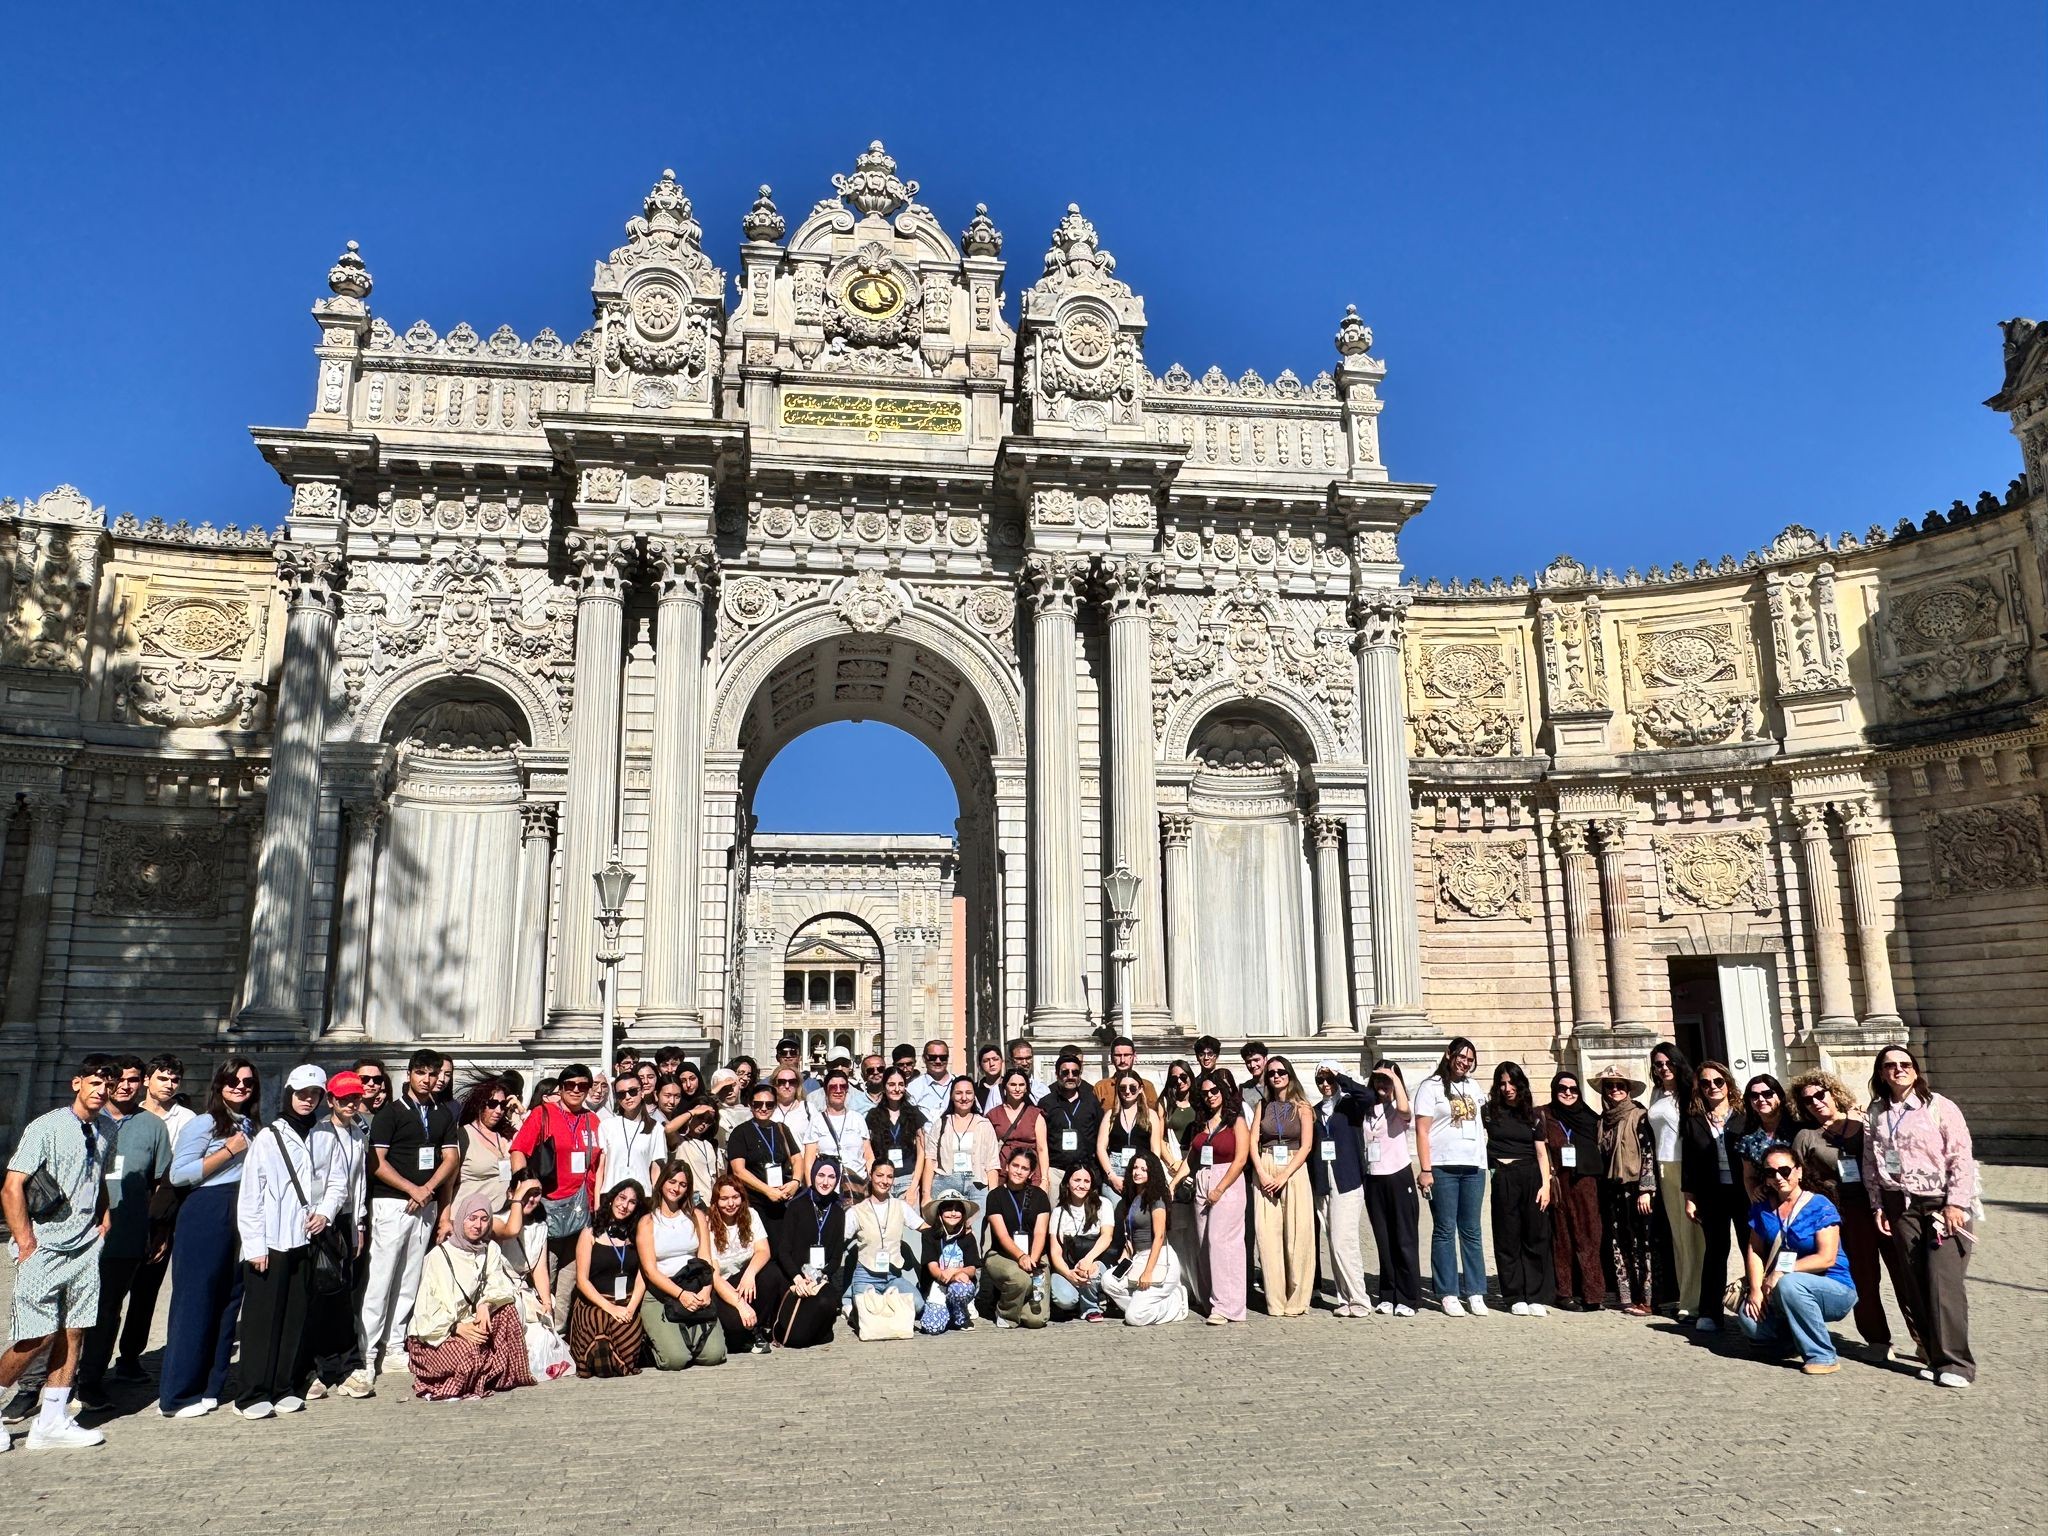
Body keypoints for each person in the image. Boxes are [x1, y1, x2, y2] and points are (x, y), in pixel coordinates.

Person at [0, 1059, 115, 1451]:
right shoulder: (46, 1127)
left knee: (74, 1329)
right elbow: (12, 1187)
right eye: (95, 1082)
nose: (102, 1090)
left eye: (108, 1085)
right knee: (36, 1334)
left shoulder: (107, 1127)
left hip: (85, 1246)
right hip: (45, 1246)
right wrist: (26, 1241)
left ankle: (51, 1421)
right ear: (77, 1083)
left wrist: (104, 1215)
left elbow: (97, 1175)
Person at [1864, 1044, 1978, 1387]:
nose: (1898, 1069)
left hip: (1941, 1203)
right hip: (1900, 1205)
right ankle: (1933, 1354)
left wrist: (1955, 1203)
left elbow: (1961, 1157)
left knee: (1944, 1283)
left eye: (1904, 1064)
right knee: (1915, 1285)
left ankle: (1957, 1364)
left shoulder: (1939, 1106)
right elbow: (1871, 1162)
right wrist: (1878, 1205)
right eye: (1890, 1065)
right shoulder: (1876, 1112)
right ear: (1881, 1073)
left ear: (1915, 1069)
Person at [159, 1058, 258, 1419]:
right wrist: (228, 1150)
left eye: (247, 1082)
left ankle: (211, 1385)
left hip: (240, 1209)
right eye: (232, 1080)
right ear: (219, 1084)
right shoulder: (203, 1123)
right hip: (206, 1208)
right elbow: (180, 1173)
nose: (240, 1087)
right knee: (195, 1300)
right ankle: (177, 1394)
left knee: (229, 1300)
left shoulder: (249, 1123)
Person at [353, 1049, 458, 1386]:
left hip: (424, 1205)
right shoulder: (391, 1113)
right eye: (421, 1073)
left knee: (409, 1277)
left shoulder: (442, 1114)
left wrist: (428, 1190)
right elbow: (377, 1162)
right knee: (381, 1277)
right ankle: (366, 1351)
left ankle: (394, 1344)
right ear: (410, 1075)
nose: (428, 1081)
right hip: (392, 1203)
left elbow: (450, 1158)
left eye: (433, 1074)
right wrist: (412, 1188)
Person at [230, 1064, 329, 1420]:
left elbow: (334, 1183)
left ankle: (283, 1385)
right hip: (270, 1240)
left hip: (305, 1237)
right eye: (302, 1094)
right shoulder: (270, 1137)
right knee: (262, 1320)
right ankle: (252, 1391)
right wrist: (254, 1244)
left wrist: (326, 1213)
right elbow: (251, 1195)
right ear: (289, 1094)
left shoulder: (323, 1135)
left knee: (295, 1316)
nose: (307, 1100)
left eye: (314, 1094)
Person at [73, 1055, 171, 1412]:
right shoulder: (85, 1121)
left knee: (106, 1312)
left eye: (134, 1079)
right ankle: (54, 1380)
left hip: (126, 1236)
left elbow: (161, 1182)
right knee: (69, 1313)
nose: (126, 1086)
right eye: (120, 1079)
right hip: (77, 1236)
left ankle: (91, 1380)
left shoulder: (153, 1126)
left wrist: (158, 1228)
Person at [1788, 1069, 1905, 1360]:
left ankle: (1924, 1339)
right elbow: (1795, 1176)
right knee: (1864, 1278)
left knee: (1905, 1274)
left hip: (1882, 1206)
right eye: (1807, 1101)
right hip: (1846, 1214)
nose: (1815, 1102)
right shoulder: (1807, 1136)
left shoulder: (1864, 1121)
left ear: (1833, 1092)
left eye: (1820, 1094)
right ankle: (1877, 1340)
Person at [1735, 1146, 1858, 1375]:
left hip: (1833, 1287)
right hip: (1783, 1289)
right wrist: (1755, 1290)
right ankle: (1791, 1341)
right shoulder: (1762, 1207)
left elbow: (1826, 1258)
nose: (1779, 1177)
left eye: (1784, 1170)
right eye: (1771, 1173)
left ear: (1799, 1171)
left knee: (1790, 1284)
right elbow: (1755, 1249)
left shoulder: (1820, 1205)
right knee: (1748, 1316)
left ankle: (1823, 1356)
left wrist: (1782, 1272)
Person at [406, 1192, 533, 1400]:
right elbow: (425, 1311)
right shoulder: (439, 1256)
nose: (478, 1225)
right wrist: (456, 1327)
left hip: (472, 1322)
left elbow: (499, 1283)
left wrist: (486, 1304)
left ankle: (497, 1375)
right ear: (461, 1219)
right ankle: (468, 1373)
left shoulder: (489, 1249)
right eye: (472, 1218)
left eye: (484, 1219)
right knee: (469, 1355)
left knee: (507, 1311)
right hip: (438, 1334)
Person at [116, 1053, 193, 1385]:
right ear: (147, 1080)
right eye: (163, 1078)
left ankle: (130, 1357)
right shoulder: (126, 1114)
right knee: (108, 1292)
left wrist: (164, 1224)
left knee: (146, 1293)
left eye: (175, 1079)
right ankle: (89, 1361)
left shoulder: (186, 1118)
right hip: (124, 1210)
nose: (170, 1084)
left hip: (162, 1211)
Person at [304, 1069, 370, 1399]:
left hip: (344, 1219)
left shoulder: (359, 1134)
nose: (350, 1104)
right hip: (318, 1220)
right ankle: (314, 1366)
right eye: (344, 1099)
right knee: (317, 1294)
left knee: (342, 1294)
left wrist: (358, 1224)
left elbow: (358, 1184)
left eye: (355, 1098)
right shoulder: (317, 1133)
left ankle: (345, 1364)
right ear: (331, 1100)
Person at [1415, 1037, 1487, 1316]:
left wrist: (1483, 1163)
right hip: (1442, 1166)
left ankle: (1476, 1290)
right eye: (1461, 1056)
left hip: (1473, 1166)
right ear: (1449, 1055)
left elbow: (1480, 1124)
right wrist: (1425, 1169)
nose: (1465, 1062)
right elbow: (1422, 1131)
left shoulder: (1473, 1086)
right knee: (1445, 1229)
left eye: (1470, 1059)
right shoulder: (1430, 1087)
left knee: (1472, 1230)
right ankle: (1447, 1292)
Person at [635, 1161, 724, 1370]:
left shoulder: (696, 1216)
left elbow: (705, 1259)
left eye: (683, 1185)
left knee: (714, 1355)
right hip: (662, 1292)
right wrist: (681, 1294)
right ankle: (653, 1344)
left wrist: (705, 1291)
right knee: (675, 1360)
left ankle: (685, 1338)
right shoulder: (648, 1221)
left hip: (695, 1287)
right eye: (672, 1182)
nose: (676, 1188)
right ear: (662, 1182)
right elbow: (650, 1270)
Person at [1480, 1062, 1553, 1317]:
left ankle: (1535, 1295)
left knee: (1535, 1236)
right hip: (1503, 1176)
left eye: (1511, 1083)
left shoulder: (1532, 1115)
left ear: (1520, 1084)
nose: (1507, 1088)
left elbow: (1542, 1153)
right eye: (1502, 1083)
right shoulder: (1488, 1113)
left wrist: (1546, 1186)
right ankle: (1514, 1295)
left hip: (1532, 1176)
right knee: (1507, 1237)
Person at [1680, 1059, 1745, 1334]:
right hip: (1711, 1194)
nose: (1712, 1087)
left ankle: (1761, 1306)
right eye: (1705, 1083)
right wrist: (1690, 1197)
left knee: (1752, 1248)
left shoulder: (1744, 1117)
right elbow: (1690, 1162)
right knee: (1716, 1252)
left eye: (1718, 1082)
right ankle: (1710, 1312)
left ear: (1728, 1084)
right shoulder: (1694, 1121)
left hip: (1744, 1193)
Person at [1247, 1055, 1314, 1317]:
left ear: (1290, 1074)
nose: (1276, 1076)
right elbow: (1253, 1141)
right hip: (1265, 1167)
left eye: (1281, 1072)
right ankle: (1275, 1301)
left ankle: (1297, 1300)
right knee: (1267, 1237)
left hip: (1293, 1169)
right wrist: (1262, 1173)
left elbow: (1306, 1145)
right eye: (1272, 1073)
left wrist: (1284, 1174)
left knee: (1297, 1237)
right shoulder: (1261, 1106)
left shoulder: (1303, 1107)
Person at [1307, 1063, 1374, 1317]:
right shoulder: (1315, 1111)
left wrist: (1340, 1078)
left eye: (1328, 1080)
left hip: (1347, 1179)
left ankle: (1360, 1298)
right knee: (1332, 1241)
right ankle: (1344, 1298)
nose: (1325, 1085)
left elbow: (1367, 1096)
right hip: (1323, 1181)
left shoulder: (1350, 1105)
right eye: (1320, 1081)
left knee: (1343, 1241)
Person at [1592, 1066, 1657, 1316]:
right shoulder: (1602, 1120)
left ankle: (1648, 1299)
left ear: (1628, 1090)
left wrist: (1646, 1189)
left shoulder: (1639, 1116)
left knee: (1643, 1243)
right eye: (1610, 1086)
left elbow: (1648, 1152)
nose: (1615, 1090)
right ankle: (1626, 1295)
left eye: (1620, 1085)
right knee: (1619, 1243)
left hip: (1636, 1187)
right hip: (1612, 1189)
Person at [1188, 1070, 1251, 1324]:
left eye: (1214, 1091)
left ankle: (1228, 1306)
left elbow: (1241, 1159)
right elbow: (1190, 1159)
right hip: (1203, 1180)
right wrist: (1171, 1184)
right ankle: (1211, 1298)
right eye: (1205, 1094)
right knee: (1204, 1243)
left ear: (1223, 1093)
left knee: (1222, 1241)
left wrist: (1221, 1188)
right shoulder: (1202, 1122)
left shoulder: (1236, 1121)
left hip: (1228, 1183)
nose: (1210, 1097)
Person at [1539, 1070, 1604, 1312]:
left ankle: (1593, 1293)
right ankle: (1564, 1292)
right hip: (1560, 1184)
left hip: (1587, 1185)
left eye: (1573, 1089)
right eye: (1562, 1089)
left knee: (1590, 1236)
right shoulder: (1546, 1115)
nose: (1568, 1093)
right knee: (1562, 1238)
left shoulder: (1590, 1118)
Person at [1099, 1150, 1187, 1326]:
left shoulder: (1157, 1198)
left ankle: (1176, 1303)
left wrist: (1148, 1272)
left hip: (1159, 1259)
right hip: (1137, 1257)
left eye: (1144, 1169)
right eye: (1135, 1167)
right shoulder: (1132, 1197)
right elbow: (1130, 1235)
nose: (1137, 1172)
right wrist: (1126, 1257)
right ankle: (1141, 1304)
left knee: (1134, 1318)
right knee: (1108, 1280)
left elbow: (1160, 1236)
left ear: (1152, 1172)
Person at [569, 1181, 648, 1377]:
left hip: (627, 1302)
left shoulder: (637, 1236)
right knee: (599, 1322)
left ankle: (615, 1360)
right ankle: (595, 1360)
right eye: (621, 1198)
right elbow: (582, 1280)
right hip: (594, 1302)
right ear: (612, 1199)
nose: (624, 1205)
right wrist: (610, 1307)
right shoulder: (589, 1235)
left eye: (632, 1202)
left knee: (623, 1330)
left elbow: (643, 1276)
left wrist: (630, 1308)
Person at [1360, 1061, 1421, 1316]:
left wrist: (1394, 1078)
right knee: (1383, 1240)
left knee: (1404, 1239)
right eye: (1378, 1079)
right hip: (1374, 1177)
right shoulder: (1367, 1108)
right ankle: (1388, 1293)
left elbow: (1406, 1110)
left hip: (1398, 1175)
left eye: (1386, 1080)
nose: (1381, 1085)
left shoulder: (1399, 1107)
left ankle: (1408, 1297)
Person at [769, 1160, 847, 1348]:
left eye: (831, 1177)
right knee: (796, 1330)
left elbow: (836, 1256)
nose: (825, 1182)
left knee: (826, 1302)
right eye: (821, 1175)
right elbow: (784, 1251)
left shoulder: (838, 1211)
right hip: (794, 1276)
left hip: (819, 1279)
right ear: (812, 1176)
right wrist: (797, 1277)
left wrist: (820, 1278)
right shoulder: (797, 1206)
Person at [1647, 1043, 1699, 1317]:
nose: (1664, 1068)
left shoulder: (1691, 1093)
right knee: (1678, 1236)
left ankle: (1694, 1302)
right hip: (1663, 1167)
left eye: (1668, 1063)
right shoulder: (1657, 1093)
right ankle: (1684, 1295)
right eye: (1658, 1064)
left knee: (1692, 1237)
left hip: (1684, 1166)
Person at [706, 1173, 784, 1355]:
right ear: (716, 1201)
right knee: (735, 1326)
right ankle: (749, 1331)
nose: (730, 1203)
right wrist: (740, 1305)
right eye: (724, 1199)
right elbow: (714, 1276)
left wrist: (749, 1274)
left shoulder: (751, 1214)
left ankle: (756, 1327)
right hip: (724, 1285)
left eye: (735, 1197)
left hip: (747, 1279)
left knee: (772, 1273)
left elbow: (763, 1250)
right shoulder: (708, 1224)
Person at [728, 1082, 803, 1251]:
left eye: (769, 1104)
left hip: (781, 1201)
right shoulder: (740, 1132)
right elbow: (739, 1170)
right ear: (750, 1105)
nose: (763, 1108)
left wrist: (796, 1182)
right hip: (754, 1203)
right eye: (758, 1104)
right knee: (760, 1251)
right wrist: (767, 1191)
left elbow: (797, 1158)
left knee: (783, 1249)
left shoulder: (781, 1129)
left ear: (775, 1106)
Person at [983, 1148, 1052, 1328]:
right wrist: (1021, 1256)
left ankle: (1016, 1299)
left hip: (1035, 1257)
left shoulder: (1040, 1196)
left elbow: (1039, 1233)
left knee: (1036, 1320)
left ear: (1030, 1173)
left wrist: (1033, 1260)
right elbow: (1002, 1235)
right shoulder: (995, 1196)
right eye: (1015, 1165)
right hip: (1003, 1255)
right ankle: (1006, 1313)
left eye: (1024, 1168)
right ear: (1007, 1166)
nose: (1018, 1171)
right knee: (1020, 1279)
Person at [846, 1157, 925, 1310]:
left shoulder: (901, 1206)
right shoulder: (856, 1211)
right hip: (866, 1275)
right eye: (879, 1175)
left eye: (889, 1177)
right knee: (867, 1311)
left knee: (918, 1305)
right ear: (871, 1176)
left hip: (893, 1275)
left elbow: (924, 1227)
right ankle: (852, 1295)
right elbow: (838, 1238)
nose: (885, 1181)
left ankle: (876, 1299)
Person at [449, 1077, 518, 1233]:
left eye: (503, 1105)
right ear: (480, 1105)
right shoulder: (463, 1135)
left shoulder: (506, 1136)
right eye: (492, 1104)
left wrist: (519, 1112)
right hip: (465, 1220)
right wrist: (445, 1219)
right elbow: (448, 1184)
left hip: (498, 1219)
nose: (498, 1110)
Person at [926, 1076, 998, 1226]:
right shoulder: (941, 1123)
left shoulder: (984, 1124)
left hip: (977, 1187)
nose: (964, 1098)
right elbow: (930, 1159)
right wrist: (926, 1195)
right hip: (945, 1185)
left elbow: (992, 1165)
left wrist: (993, 1197)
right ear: (951, 1096)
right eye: (958, 1093)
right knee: (946, 1235)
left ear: (974, 1096)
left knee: (975, 1235)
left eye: (968, 1093)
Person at [1048, 1164, 1112, 1321]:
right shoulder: (1058, 1212)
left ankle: (1090, 1307)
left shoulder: (1103, 1204)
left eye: (1086, 1181)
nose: (1081, 1185)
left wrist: (1087, 1260)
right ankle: (1079, 1299)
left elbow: (1107, 1236)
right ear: (1067, 1183)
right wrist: (1068, 1274)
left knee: (1091, 1272)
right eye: (1077, 1180)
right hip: (1068, 1266)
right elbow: (1055, 1252)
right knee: (1065, 1299)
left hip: (1094, 1262)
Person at [1097, 1069, 1165, 1206]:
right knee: (1118, 1219)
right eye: (1123, 1088)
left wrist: (1148, 1173)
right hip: (1115, 1173)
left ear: (1140, 1089)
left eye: (1132, 1088)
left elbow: (1155, 1149)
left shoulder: (1150, 1115)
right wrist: (1112, 1177)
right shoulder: (1110, 1115)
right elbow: (1100, 1147)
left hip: (1141, 1173)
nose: (1127, 1092)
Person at [917, 1192, 981, 1335]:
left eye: (957, 1209)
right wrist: (948, 1276)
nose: (953, 1213)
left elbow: (971, 1268)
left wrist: (953, 1272)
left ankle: (961, 1314)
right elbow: (932, 1267)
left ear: (963, 1214)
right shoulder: (929, 1235)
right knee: (931, 1327)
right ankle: (948, 1311)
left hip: (959, 1283)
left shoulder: (968, 1237)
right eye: (948, 1209)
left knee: (960, 1289)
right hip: (938, 1285)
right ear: (940, 1212)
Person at [596, 1072, 667, 1198]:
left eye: (632, 1091)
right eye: (621, 1094)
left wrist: (657, 1201)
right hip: (611, 1195)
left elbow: (656, 1169)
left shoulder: (656, 1128)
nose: (627, 1097)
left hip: (642, 1196)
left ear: (642, 1092)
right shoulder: (606, 1126)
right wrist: (597, 1202)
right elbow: (600, 1168)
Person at [1042, 1050, 1104, 1191]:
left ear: (1080, 1075)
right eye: (1065, 1072)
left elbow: (1100, 1135)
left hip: (1085, 1171)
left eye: (1075, 1073)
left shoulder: (1091, 1102)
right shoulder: (1046, 1103)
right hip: (1056, 1171)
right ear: (1057, 1074)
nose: (1070, 1077)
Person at [862, 1069, 927, 1197]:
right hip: (882, 1180)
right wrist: (875, 1179)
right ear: (884, 1086)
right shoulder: (873, 1116)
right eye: (891, 1084)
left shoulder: (914, 1114)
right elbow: (867, 1150)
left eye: (901, 1084)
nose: (897, 1089)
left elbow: (922, 1152)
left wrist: (914, 1186)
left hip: (907, 1180)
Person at [1732, 1074, 1795, 1200]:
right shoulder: (1747, 1138)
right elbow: (1749, 1177)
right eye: (1754, 1096)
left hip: (1799, 1200)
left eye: (1767, 1094)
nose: (1761, 1099)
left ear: (1779, 1096)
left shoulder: (1797, 1129)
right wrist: (1754, 1197)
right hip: (1767, 1203)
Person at [810, 1068, 872, 1196]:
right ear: (825, 1090)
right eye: (833, 1087)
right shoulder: (817, 1120)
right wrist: (812, 1191)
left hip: (857, 1187)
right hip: (828, 1189)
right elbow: (809, 1161)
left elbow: (868, 1155)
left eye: (842, 1086)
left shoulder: (857, 1118)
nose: (838, 1090)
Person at [988, 1069, 1048, 1189]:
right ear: (1005, 1087)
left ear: (1026, 1088)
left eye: (1021, 1085)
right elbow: (988, 1150)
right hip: (1004, 1172)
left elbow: (1042, 1149)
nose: (1017, 1089)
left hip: (1031, 1172)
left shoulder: (1035, 1114)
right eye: (1013, 1085)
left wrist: (1045, 1179)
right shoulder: (993, 1115)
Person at [1093, 1037, 1159, 1111]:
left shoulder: (1147, 1086)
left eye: (1126, 1055)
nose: (1122, 1060)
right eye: (1118, 1055)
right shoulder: (1101, 1087)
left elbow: (1157, 1116)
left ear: (1134, 1056)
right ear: (1111, 1057)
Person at [908, 1039, 955, 1120]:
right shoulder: (913, 1087)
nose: (938, 1061)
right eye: (933, 1057)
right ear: (924, 1058)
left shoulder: (960, 1083)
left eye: (943, 1057)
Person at [1158, 1061, 1198, 1147]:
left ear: (1190, 1076)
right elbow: (1159, 1140)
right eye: (1174, 1078)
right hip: (1173, 1154)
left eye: (1183, 1077)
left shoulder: (1199, 1102)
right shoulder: (1165, 1102)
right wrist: (1173, 1161)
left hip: (1195, 1155)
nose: (1179, 1081)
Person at [974, 1046, 1007, 1113]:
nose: (991, 1064)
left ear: (1002, 1062)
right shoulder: (975, 1089)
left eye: (995, 1059)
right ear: (980, 1065)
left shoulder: (1009, 1086)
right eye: (986, 1061)